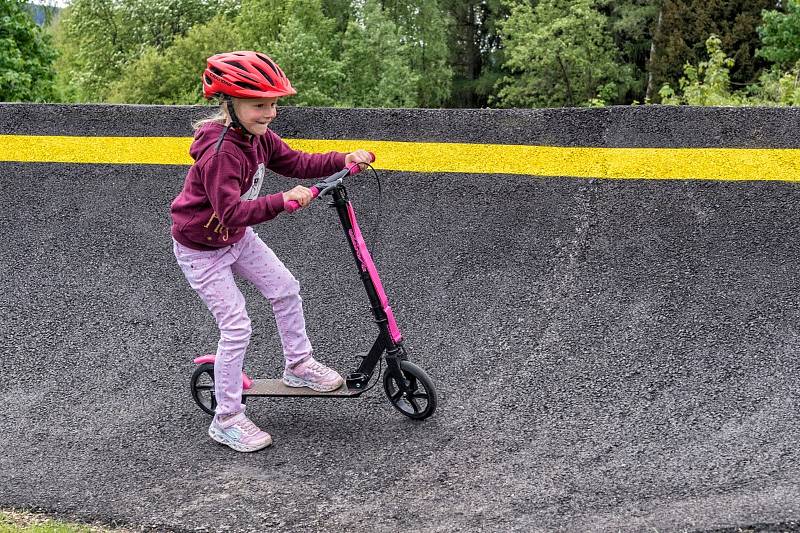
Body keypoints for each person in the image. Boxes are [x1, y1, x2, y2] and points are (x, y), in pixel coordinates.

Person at [170, 51, 372, 452]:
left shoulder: (257, 137)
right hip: (201, 249)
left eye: (274, 103)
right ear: (230, 104)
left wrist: (342, 158)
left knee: (285, 288)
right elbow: (228, 211)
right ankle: (226, 418)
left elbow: (295, 160)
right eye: (259, 105)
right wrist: (282, 201)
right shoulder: (222, 153)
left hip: (235, 237)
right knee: (237, 327)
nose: (270, 113)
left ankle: (298, 365)